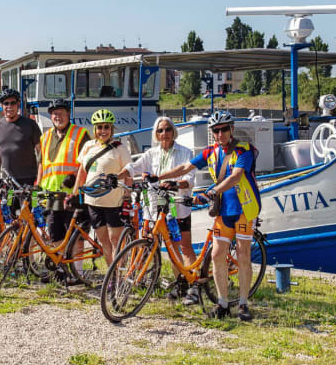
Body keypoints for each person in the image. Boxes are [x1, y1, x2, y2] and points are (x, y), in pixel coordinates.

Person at [156, 110, 262, 322]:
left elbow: (236, 176)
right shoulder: (211, 152)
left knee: (242, 256)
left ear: (231, 129)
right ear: (212, 132)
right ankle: (222, 303)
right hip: (223, 211)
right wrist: (158, 176)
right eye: (216, 130)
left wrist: (211, 192)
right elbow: (185, 167)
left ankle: (243, 304)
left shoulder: (244, 151)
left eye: (224, 129)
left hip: (243, 209)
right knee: (216, 256)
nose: (220, 133)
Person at [118, 116, 198, 304]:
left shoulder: (185, 152)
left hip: (178, 207)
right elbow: (133, 167)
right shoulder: (151, 154)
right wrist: (118, 176)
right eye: (160, 130)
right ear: (155, 133)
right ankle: (179, 282)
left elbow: (190, 178)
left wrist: (176, 184)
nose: (164, 134)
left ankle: (193, 284)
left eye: (168, 129)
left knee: (183, 247)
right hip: (155, 209)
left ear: (173, 131)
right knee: (165, 248)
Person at [72, 109, 132, 265]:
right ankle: (112, 278)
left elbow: (129, 173)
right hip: (92, 201)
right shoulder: (88, 146)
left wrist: (127, 195)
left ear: (111, 129)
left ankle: (120, 275)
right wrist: (75, 192)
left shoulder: (119, 148)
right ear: (95, 129)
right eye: (99, 127)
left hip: (113, 201)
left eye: (106, 127)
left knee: (115, 240)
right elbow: (82, 171)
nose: (103, 131)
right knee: (104, 240)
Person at [35, 98, 89, 252]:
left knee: (74, 234)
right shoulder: (45, 137)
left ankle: (77, 271)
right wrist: (38, 185)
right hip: (51, 194)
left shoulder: (80, 134)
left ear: (68, 114)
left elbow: (86, 163)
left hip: (72, 193)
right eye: (54, 114)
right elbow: (41, 164)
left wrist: (76, 183)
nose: (57, 116)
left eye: (61, 113)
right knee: (55, 232)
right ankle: (61, 267)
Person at [0, 88, 41, 186]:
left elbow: (41, 153)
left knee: (28, 202)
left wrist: (39, 178)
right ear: (2, 106)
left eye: (13, 103)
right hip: (8, 181)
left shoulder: (30, 124)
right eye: (6, 103)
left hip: (29, 180)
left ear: (18, 104)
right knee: (8, 202)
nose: (9, 106)